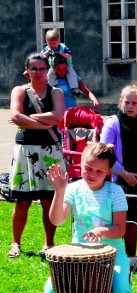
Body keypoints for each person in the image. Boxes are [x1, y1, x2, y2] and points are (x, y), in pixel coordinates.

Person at [44, 143, 131, 293]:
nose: (92, 174)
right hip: (79, 254)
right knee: (50, 291)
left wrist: (102, 232)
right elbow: (57, 220)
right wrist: (59, 191)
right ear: (80, 164)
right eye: (87, 168)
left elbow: (120, 230)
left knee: (120, 289)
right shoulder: (73, 189)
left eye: (99, 171)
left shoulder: (115, 192)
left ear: (109, 171)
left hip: (113, 253)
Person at [8, 52, 66, 258]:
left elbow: (59, 116)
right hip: (25, 150)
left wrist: (28, 117)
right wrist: (44, 122)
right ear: (27, 71)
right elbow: (15, 115)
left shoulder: (56, 92)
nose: (39, 72)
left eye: (42, 68)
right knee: (22, 201)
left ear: (47, 70)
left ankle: (49, 244)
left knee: (49, 201)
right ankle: (15, 243)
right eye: (34, 68)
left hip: (50, 151)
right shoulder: (20, 91)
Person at [100, 85, 137, 209]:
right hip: (119, 181)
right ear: (120, 102)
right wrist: (124, 174)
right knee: (120, 221)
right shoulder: (112, 124)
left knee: (136, 223)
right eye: (127, 102)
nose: (130, 106)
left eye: (134, 103)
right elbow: (103, 155)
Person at [41, 29, 80, 96]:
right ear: (46, 42)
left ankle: (74, 88)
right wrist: (47, 52)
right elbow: (41, 56)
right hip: (53, 65)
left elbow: (69, 56)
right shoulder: (47, 48)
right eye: (50, 43)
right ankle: (51, 88)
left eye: (54, 43)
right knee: (49, 75)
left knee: (71, 73)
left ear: (58, 41)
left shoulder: (63, 47)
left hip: (66, 65)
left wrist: (62, 53)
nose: (52, 45)